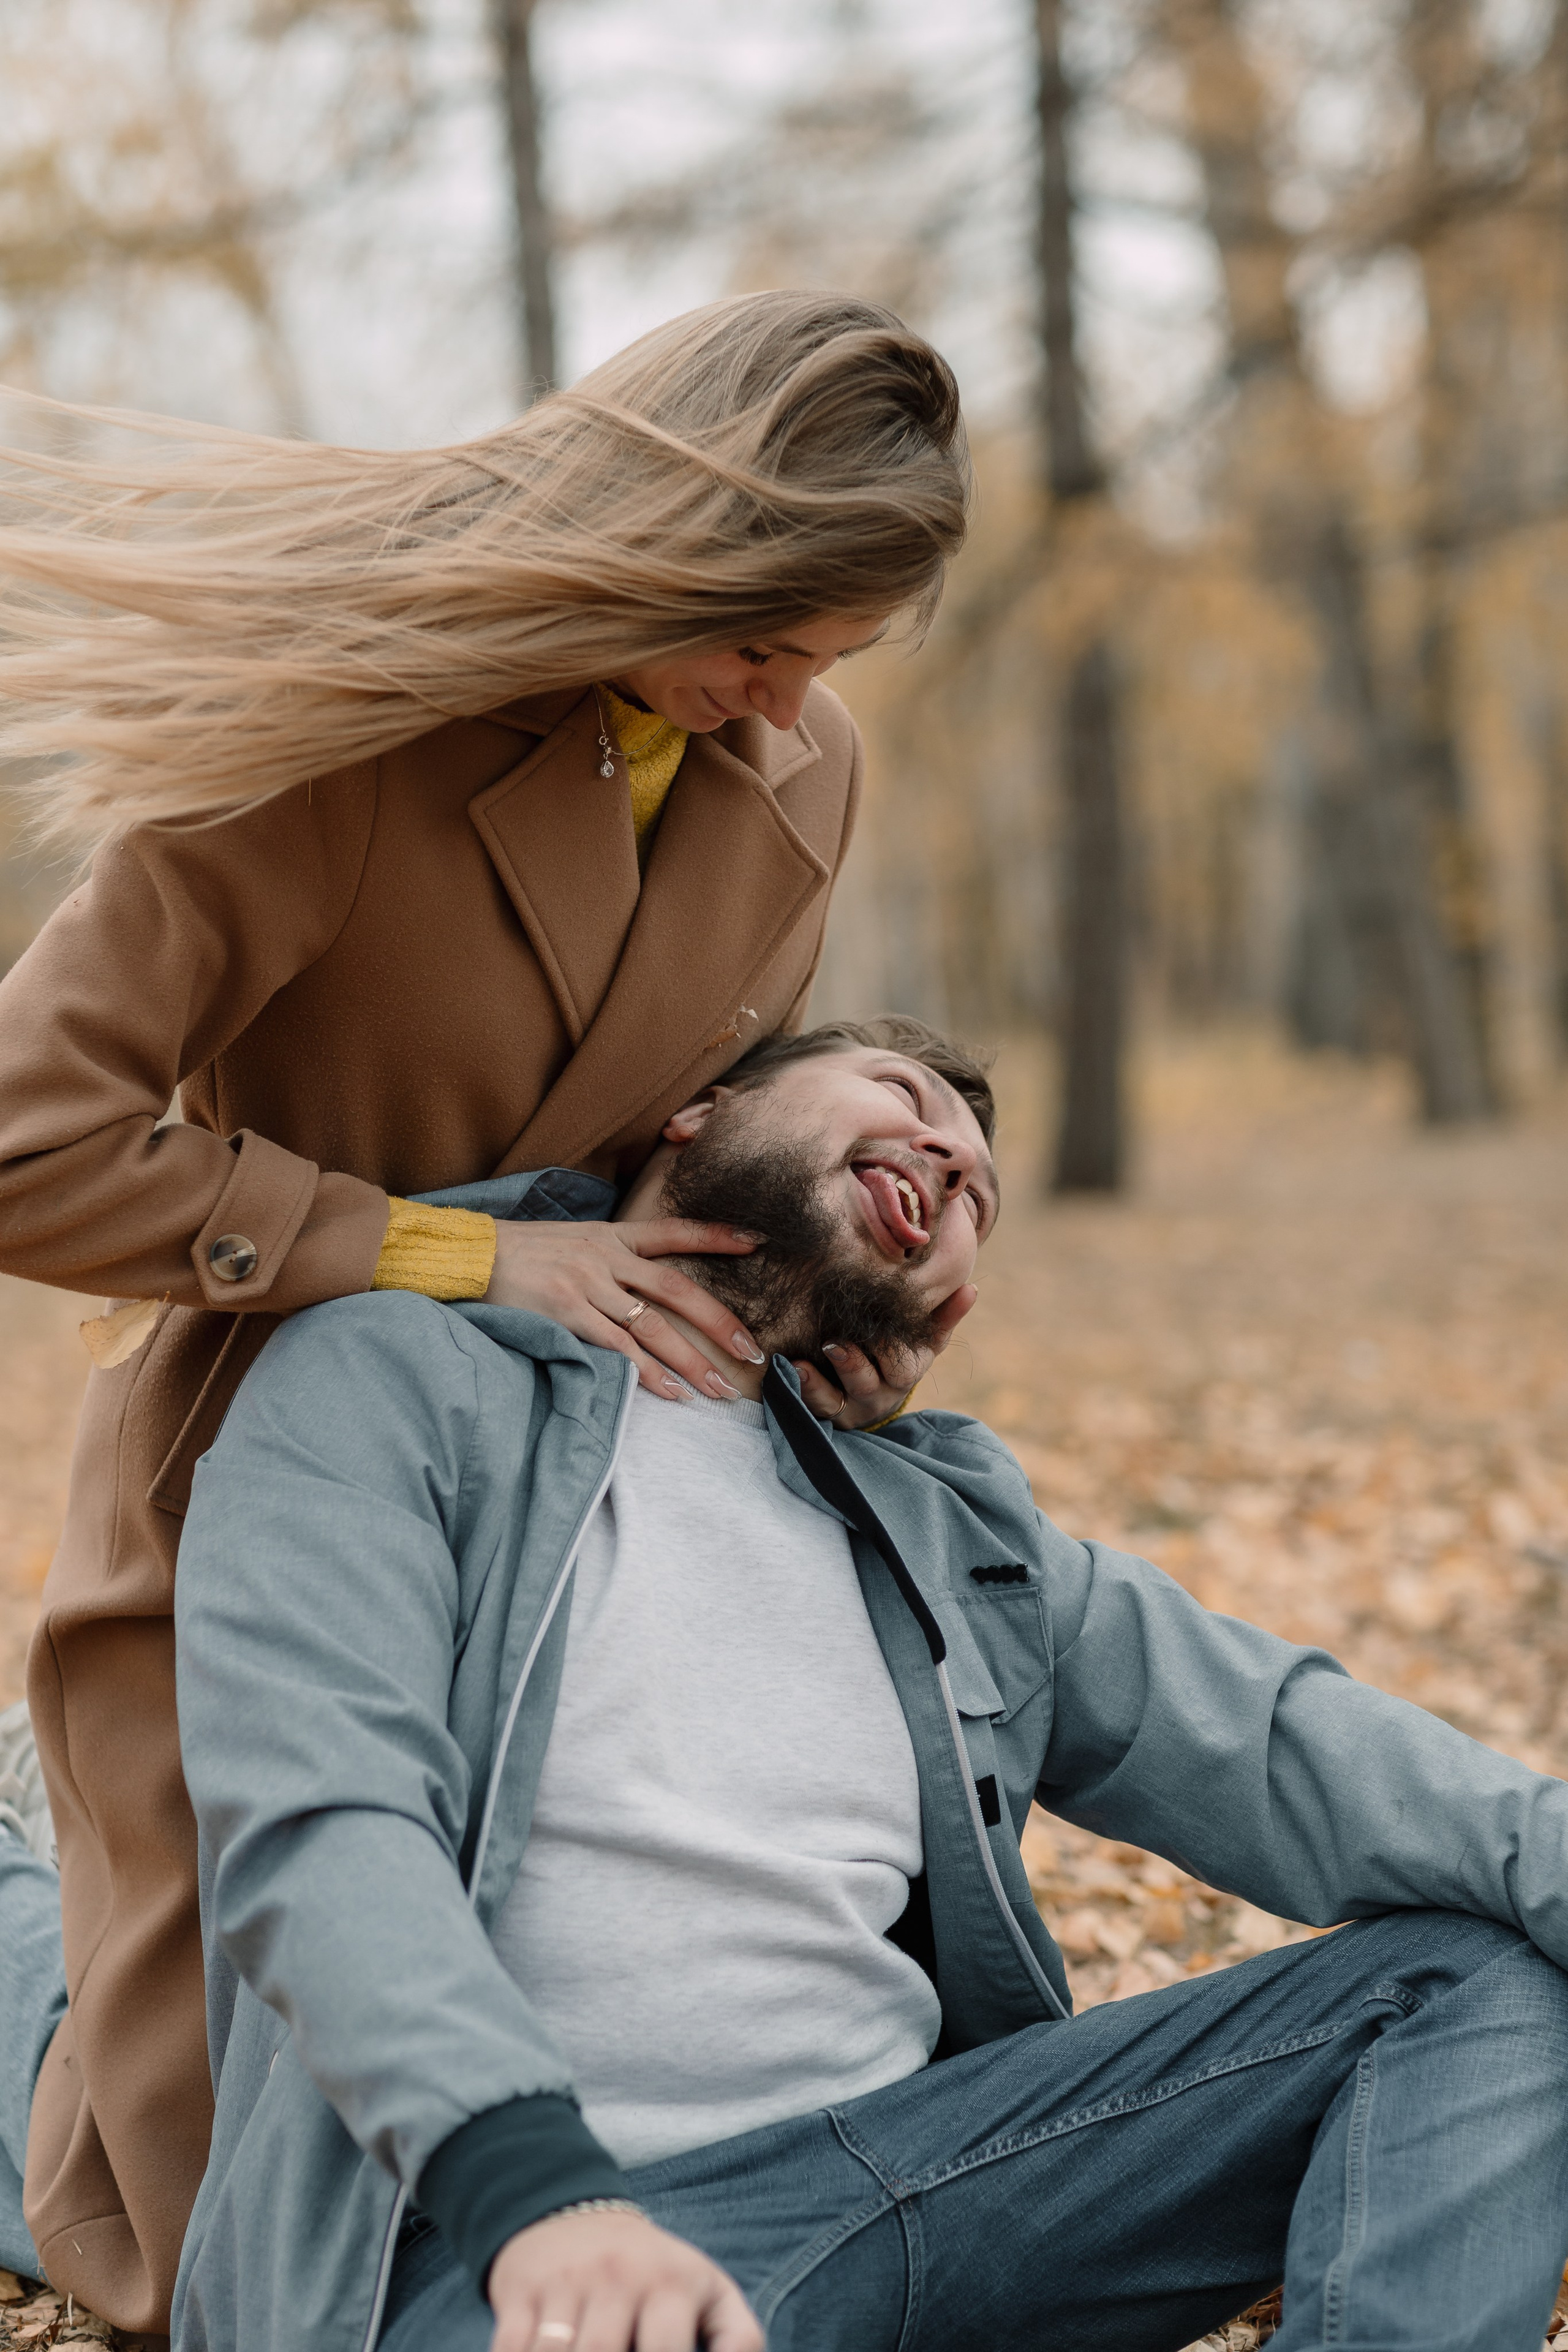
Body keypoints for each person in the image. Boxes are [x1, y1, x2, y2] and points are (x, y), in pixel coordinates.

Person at [0, 1013, 1551, 2352]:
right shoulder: (394, 1381)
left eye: (980, 1198)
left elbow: (1290, 1747)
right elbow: (328, 1827)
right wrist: (535, 2193)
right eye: (907, 1099)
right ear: (701, 1110)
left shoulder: (938, 1521)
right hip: (523, 2248)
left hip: (929, 2175)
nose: (952, 1166)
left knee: (1481, 1981)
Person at [0, 292, 973, 2330]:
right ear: (661, 552)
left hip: (586, 1499)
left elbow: (704, 1117)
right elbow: (27, 1141)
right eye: (757, 640)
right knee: (206, 2260)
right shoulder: (331, 734)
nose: (781, 704)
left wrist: (831, 1288)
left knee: (464, 2105)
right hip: (262, 1482)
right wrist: (460, 1251)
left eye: (828, 660)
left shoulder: (796, 760)